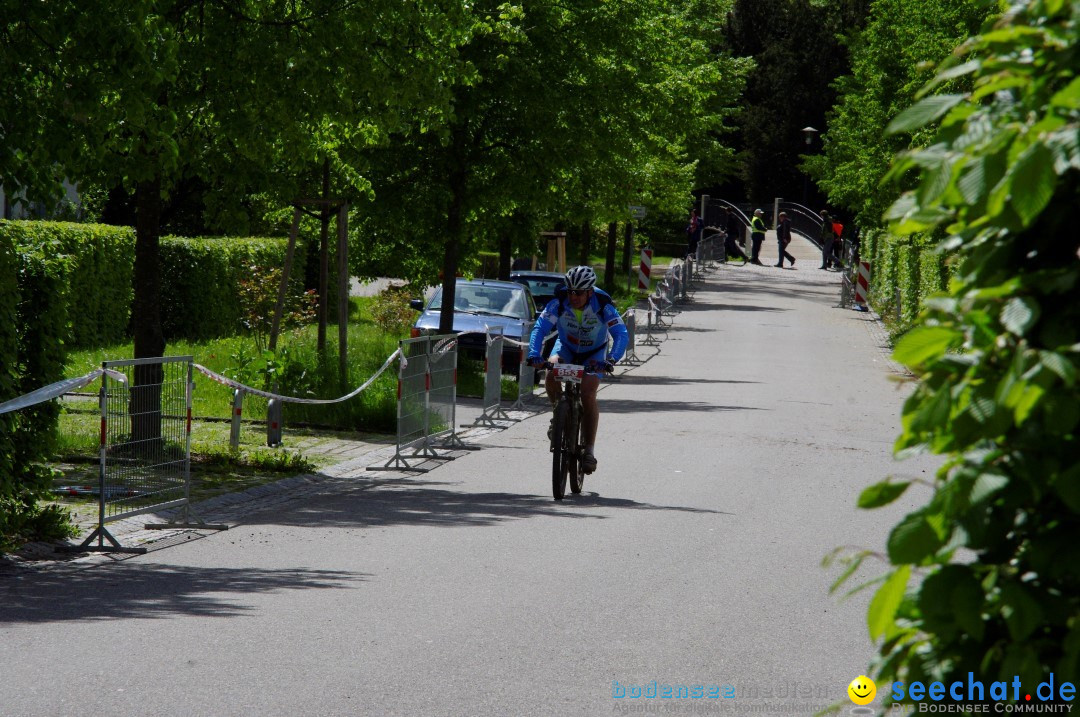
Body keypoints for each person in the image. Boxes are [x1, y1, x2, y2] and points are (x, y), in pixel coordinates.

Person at [527, 266, 628, 474]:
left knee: (588, 393)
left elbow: (621, 334)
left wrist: (611, 359)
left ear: (589, 292)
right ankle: (558, 414)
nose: (573, 296)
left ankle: (589, 450)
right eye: (571, 291)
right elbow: (540, 328)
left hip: (595, 353)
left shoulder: (602, 305)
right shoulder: (559, 303)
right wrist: (533, 354)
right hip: (567, 347)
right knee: (552, 369)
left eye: (579, 293)